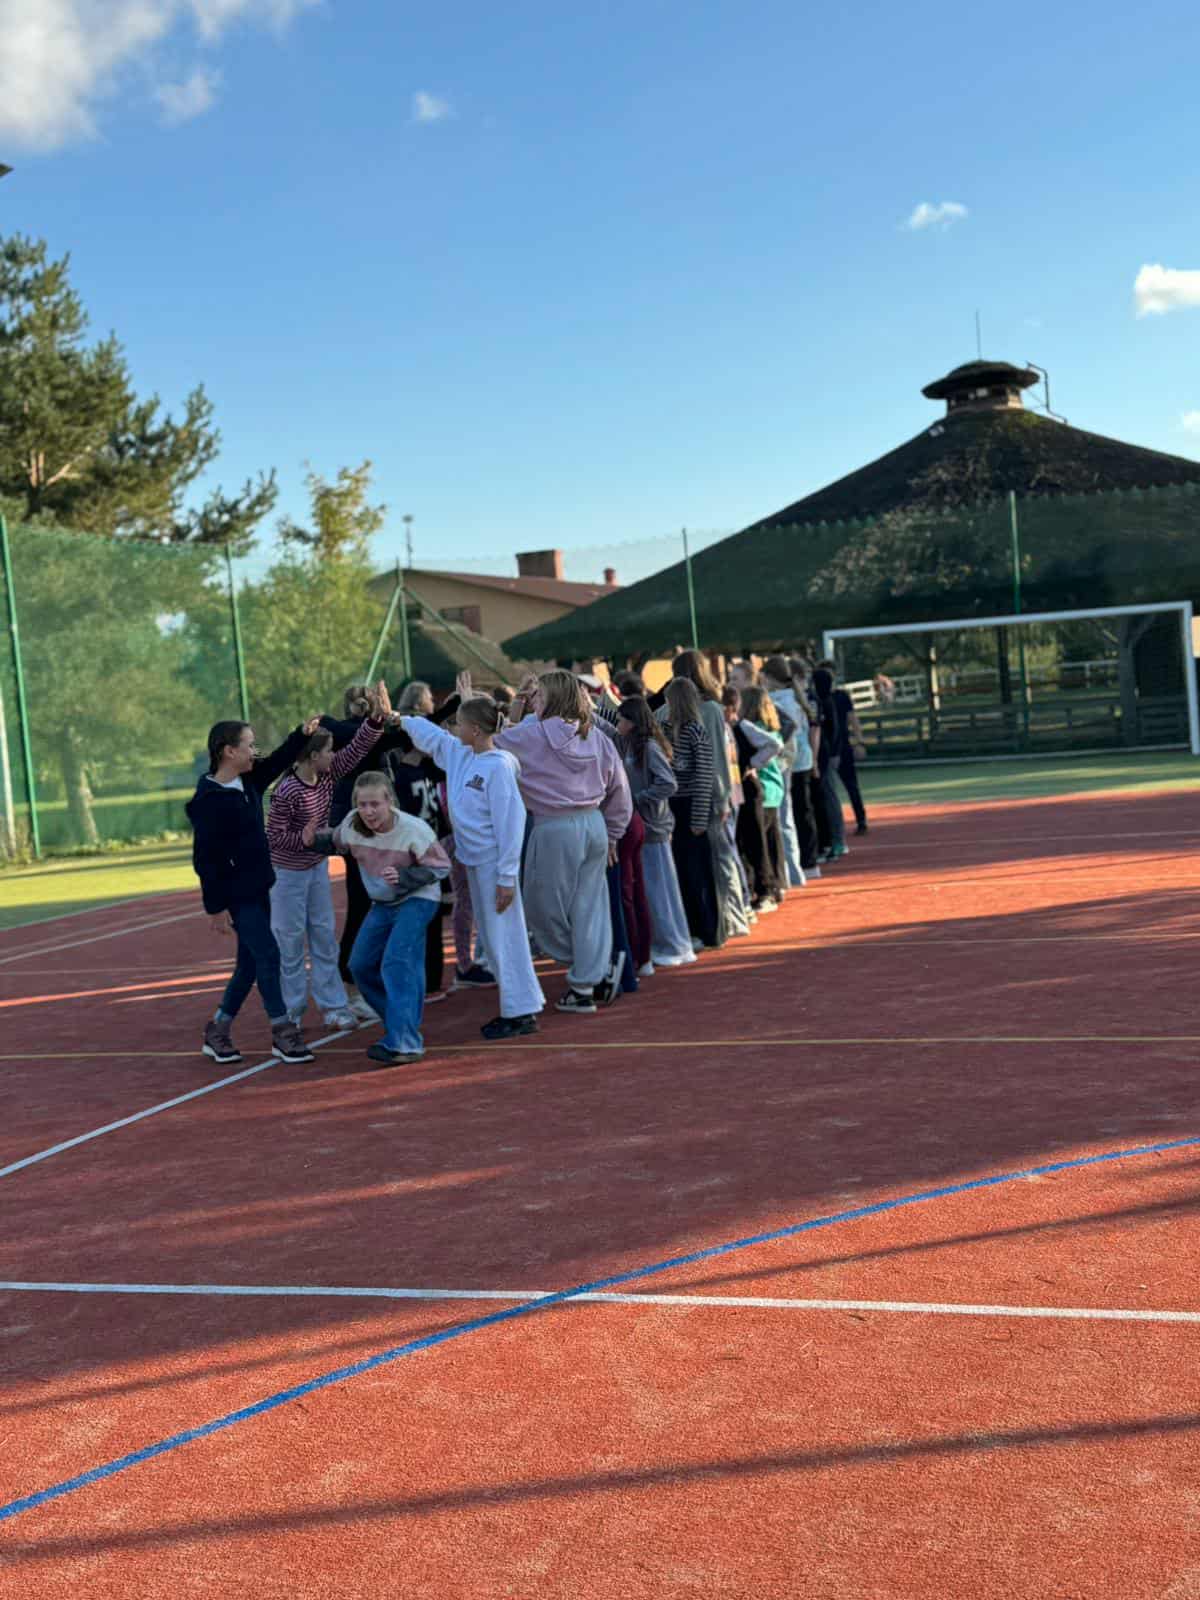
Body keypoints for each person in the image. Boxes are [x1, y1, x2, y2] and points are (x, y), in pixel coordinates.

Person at [400, 694, 545, 1039]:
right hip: (476, 863)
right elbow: (435, 738)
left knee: (505, 935)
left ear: (476, 730)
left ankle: (521, 1012)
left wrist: (506, 877)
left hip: (494, 865)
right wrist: (398, 718)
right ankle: (518, 1006)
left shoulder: (499, 766)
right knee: (495, 937)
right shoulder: (462, 754)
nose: (454, 728)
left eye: (460, 723)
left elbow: (510, 824)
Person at [187, 717, 322, 1067]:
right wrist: (215, 907)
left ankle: (218, 1029)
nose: (254, 750)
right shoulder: (208, 800)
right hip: (236, 895)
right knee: (269, 954)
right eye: (248, 744)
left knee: (248, 965)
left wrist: (301, 735)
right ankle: (282, 1030)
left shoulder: (249, 781)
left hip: (260, 887)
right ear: (229, 751)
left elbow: (278, 760)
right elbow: (205, 859)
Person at [497, 669, 632, 1013]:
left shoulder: (530, 734)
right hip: (594, 824)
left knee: (541, 908)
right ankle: (588, 978)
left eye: (538, 695)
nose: (534, 701)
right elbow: (620, 789)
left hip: (553, 827)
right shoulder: (596, 735)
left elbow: (492, 742)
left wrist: (514, 703)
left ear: (552, 698)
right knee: (590, 906)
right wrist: (613, 833)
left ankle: (589, 969)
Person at [306, 771, 451, 1065]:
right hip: (383, 902)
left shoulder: (413, 829)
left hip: (418, 898)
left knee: (396, 962)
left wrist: (405, 875)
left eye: (375, 804)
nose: (369, 811)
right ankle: (401, 1024)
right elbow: (336, 843)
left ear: (390, 801)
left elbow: (440, 866)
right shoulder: (351, 824)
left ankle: (404, 1043)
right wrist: (313, 841)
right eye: (363, 804)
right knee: (359, 966)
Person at [266, 690, 390, 1029]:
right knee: (290, 944)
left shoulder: (328, 774)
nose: (334, 755)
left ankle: (334, 1007)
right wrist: (303, 840)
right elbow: (274, 837)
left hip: (316, 868)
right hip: (287, 875)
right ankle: (291, 1013)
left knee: (324, 938)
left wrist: (377, 719)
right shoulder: (286, 791)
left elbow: (358, 748)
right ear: (312, 756)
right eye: (329, 751)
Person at [669, 650, 751, 940]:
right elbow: (718, 758)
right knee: (720, 858)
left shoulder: (698, 710)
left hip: (694, 795)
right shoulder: (709, 709)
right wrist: (723, 795)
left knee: (714, 859)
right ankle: (734, 917)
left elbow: (714, 756)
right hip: (711, 793)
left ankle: (730, 918)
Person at [657, 677, 719, 948]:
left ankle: (706, 930)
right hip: (673, 807)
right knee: (682, 872)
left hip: (691, 806)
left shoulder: (695, 731)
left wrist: (699, 818)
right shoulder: (664, 730)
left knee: (697, 873)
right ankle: (691, 927)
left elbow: (705, 776)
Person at [736, 687, 788, 909]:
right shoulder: (771, 727)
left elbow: (773, 749)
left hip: (763, 790)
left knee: (759, 845)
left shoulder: (752, 729)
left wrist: (751, 764)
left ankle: (766, 888)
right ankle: (778, 885)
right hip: (773, 791)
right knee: (772, 842)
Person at [759, 655, 807, 887]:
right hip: (787, 760)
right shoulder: (792, 698)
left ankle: (788, 872)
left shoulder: (777, 701)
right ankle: (793, 871)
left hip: (780, 762)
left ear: (769, 677)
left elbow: (789, 728)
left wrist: (777, 748)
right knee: (786, 818)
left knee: (780, 819)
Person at [823, 664, 869, 835]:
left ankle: (861, 819)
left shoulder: (841, 696)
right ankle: (830, 826)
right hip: (824, 747)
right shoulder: (817, 698)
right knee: (826, 789)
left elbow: (852, 719)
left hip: (842, 746)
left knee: (851, 785)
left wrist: (860, 742)